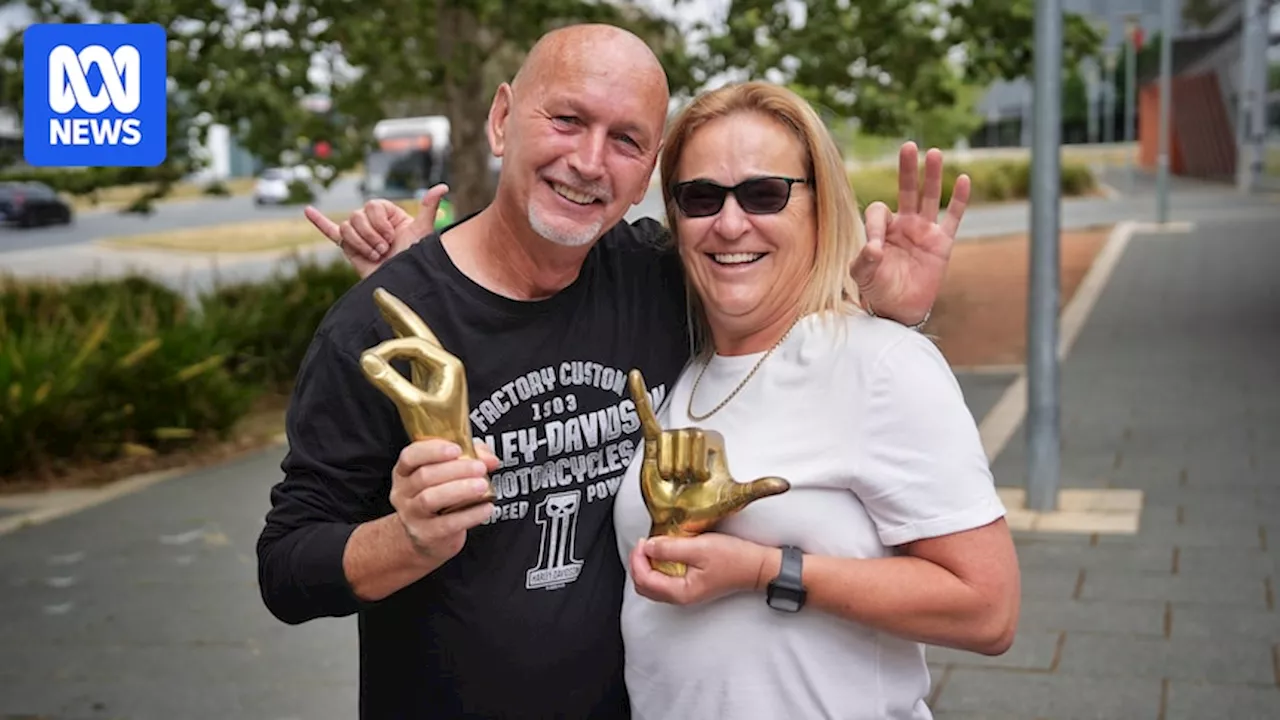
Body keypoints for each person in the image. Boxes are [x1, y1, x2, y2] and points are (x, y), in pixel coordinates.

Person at [264, 24, 958, 720]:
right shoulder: (386, 329)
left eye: (626, 140)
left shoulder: (660, 280)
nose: (590, 162)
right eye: (566, 120)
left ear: (647, 172)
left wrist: (884, 306)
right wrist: (406, 538)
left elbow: (771, 282)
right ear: (502, 119)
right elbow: (287, 569)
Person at [608, 82, 1020, 719]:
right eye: (700, 197)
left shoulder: (881, 363)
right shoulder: (679, 370)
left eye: (764, 193)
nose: (730, 222)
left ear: (820, 206)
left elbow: (988, 610)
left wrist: (765, 570)